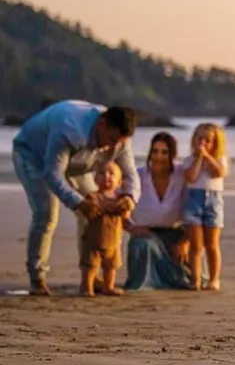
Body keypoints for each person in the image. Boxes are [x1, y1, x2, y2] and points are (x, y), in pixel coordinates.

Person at [12, 100, 140, 295]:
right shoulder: (69, 128)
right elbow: (53, 175)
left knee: (96, 211)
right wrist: (79, 202)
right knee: (46, 214)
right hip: (33, 155)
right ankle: (37, 276)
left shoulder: (120, 140)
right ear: (102, 125)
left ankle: (90, 274)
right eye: (112, 140)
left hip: (79, 162)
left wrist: (130, 197)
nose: (113, 147)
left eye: (119, 143)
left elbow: (130, 175)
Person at [124, 132, 204, 290]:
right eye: (154, 151)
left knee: (191, 264)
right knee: (141, 245)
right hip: (147, 233)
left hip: (177, 233)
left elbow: (195, 210)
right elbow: (119, 206)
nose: (158, 156)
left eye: (164, 152)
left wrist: (185, 241)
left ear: (172, 154)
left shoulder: (183, 175)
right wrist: (131, 227)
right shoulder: (138, 176)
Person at [183, 123, 229, 291]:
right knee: (196, 245)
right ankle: (195, 279)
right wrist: (199, 158)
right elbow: (191, 177)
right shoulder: (189, 161)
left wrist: (207, 157)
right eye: (199, 139)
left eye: (208, 140)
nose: (203, 143)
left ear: (215, 143)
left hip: (213, 200)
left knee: (212, 244)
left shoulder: (219, 159)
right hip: (194, 200)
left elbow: (219, 172)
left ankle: (214, 278)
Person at [79, 162, 133, 297]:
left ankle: (108, 287)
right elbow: (88, 211)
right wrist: (94, 207)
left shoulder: (121, 199)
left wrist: (127, 205)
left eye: (111, 174)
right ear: (96, 179)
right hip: (93, 240)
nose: (106, 176)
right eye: (102, 173)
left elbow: (127, 214)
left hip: (113, 242)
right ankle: (86, 287)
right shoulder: (93, 196)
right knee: (90, 266)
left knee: (111, 267)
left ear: (120, 182)